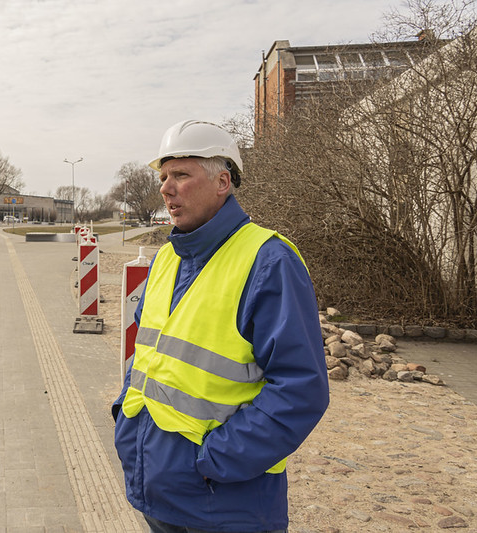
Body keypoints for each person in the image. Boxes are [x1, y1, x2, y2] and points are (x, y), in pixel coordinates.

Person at [113, 120, 329, 533]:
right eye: (163, 177)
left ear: (222, 182)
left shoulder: (269, 261)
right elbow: (148, 357)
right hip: (157, 489)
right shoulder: (166, 259)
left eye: (181, 174)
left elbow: (301, 388)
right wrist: (126, 422)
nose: (165, 188)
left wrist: (213, 461)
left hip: (225, 503)